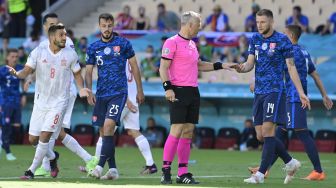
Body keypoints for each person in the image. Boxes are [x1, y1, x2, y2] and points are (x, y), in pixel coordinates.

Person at [233, 9, 310, 184]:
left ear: (271, 22)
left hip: (275, 91)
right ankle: (290, 162)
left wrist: (301, 92)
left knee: (268, 131)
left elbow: (291, 68)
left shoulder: (283, 40)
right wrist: (241, 68)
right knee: (261, 136)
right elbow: (250, 64)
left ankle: (260, 174)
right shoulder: (255, 39)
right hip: (258, 92)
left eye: (263, 22)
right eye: (257, 22)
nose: (259, 25)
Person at [159, 11, 234, 184]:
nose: (200, 27)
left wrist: (221, 65)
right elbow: (163, 68)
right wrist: (167, 89)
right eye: (198, 24)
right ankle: (166, 171)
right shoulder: (172, 42)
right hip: (177, 90)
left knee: (188, 131)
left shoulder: (192, 44)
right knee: (176, 130)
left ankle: (182, 173)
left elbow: (198, 65)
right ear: (189, 24)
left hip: (193, 91)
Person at [250, 25, 333, 181]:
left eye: (283, 34)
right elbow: (315, 75)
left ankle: (318, 171)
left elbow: (271, 69)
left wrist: (256, 80)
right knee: (278, 133)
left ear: (289, 35)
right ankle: (264, 169)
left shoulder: (290, 52)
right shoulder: (305, 52)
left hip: (293, 98)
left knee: (302, 133)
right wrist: (324, 95)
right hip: (290, 98)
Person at [7, 23, 90, 180]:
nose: (65, 37)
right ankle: (52, 158)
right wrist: (18, 75)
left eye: (65, 34)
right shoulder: (38, 52)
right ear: (52, 37)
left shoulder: (70, 54)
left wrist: (81, 89)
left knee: (45, 136)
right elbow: (27, 70)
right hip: (41, 102)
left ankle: (31, 171)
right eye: (62, 35)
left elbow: (78, 73)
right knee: (33, 139)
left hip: (59, 102)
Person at [25, 13, 98, 178]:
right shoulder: (43, 46)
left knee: (51, 131)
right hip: (46, 96)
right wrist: (30, 77)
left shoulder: (66, 42)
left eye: (56, 23)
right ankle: (86, 158)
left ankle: (45, 165)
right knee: (56, 133)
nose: (55, 26)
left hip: (63, 94)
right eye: (51, 24)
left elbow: (70, 65)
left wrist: (81, 89)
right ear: (45, 27)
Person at [85, 13, 144, 180]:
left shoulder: (123, 43)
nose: (107, 29)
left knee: (109, 126)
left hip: (119, 93)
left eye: (110, 25)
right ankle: (113, 169)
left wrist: (140, 90)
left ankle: (98, 167)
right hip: (101, 94)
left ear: (114, 25)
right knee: (105, 133)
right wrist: (89, 90)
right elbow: (88, 71)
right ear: (99, 26)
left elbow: (134, 66)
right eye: (104, 26)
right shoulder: (93, 47)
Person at [119, 61, 157, 174]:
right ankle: (151, 164)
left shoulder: (117, 57)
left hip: (122, 100)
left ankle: (95, 165)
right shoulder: (133, 60)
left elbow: (118, 81)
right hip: (133, 97)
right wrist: (140, 92)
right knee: (134, 131)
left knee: (106, 131)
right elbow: (137, 75)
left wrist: (125, 100)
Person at [0, 49, 25, 161]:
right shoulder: (2, 70)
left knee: (16, 127)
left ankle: (2, 141)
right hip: (5, 102)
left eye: (16, 56)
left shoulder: (20, 68)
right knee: (7, 126)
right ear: (8, 58)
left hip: (17, 101)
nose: (15, 59)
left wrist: (23, 95)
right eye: (12, 56)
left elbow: (25, 79)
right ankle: (7, 151)